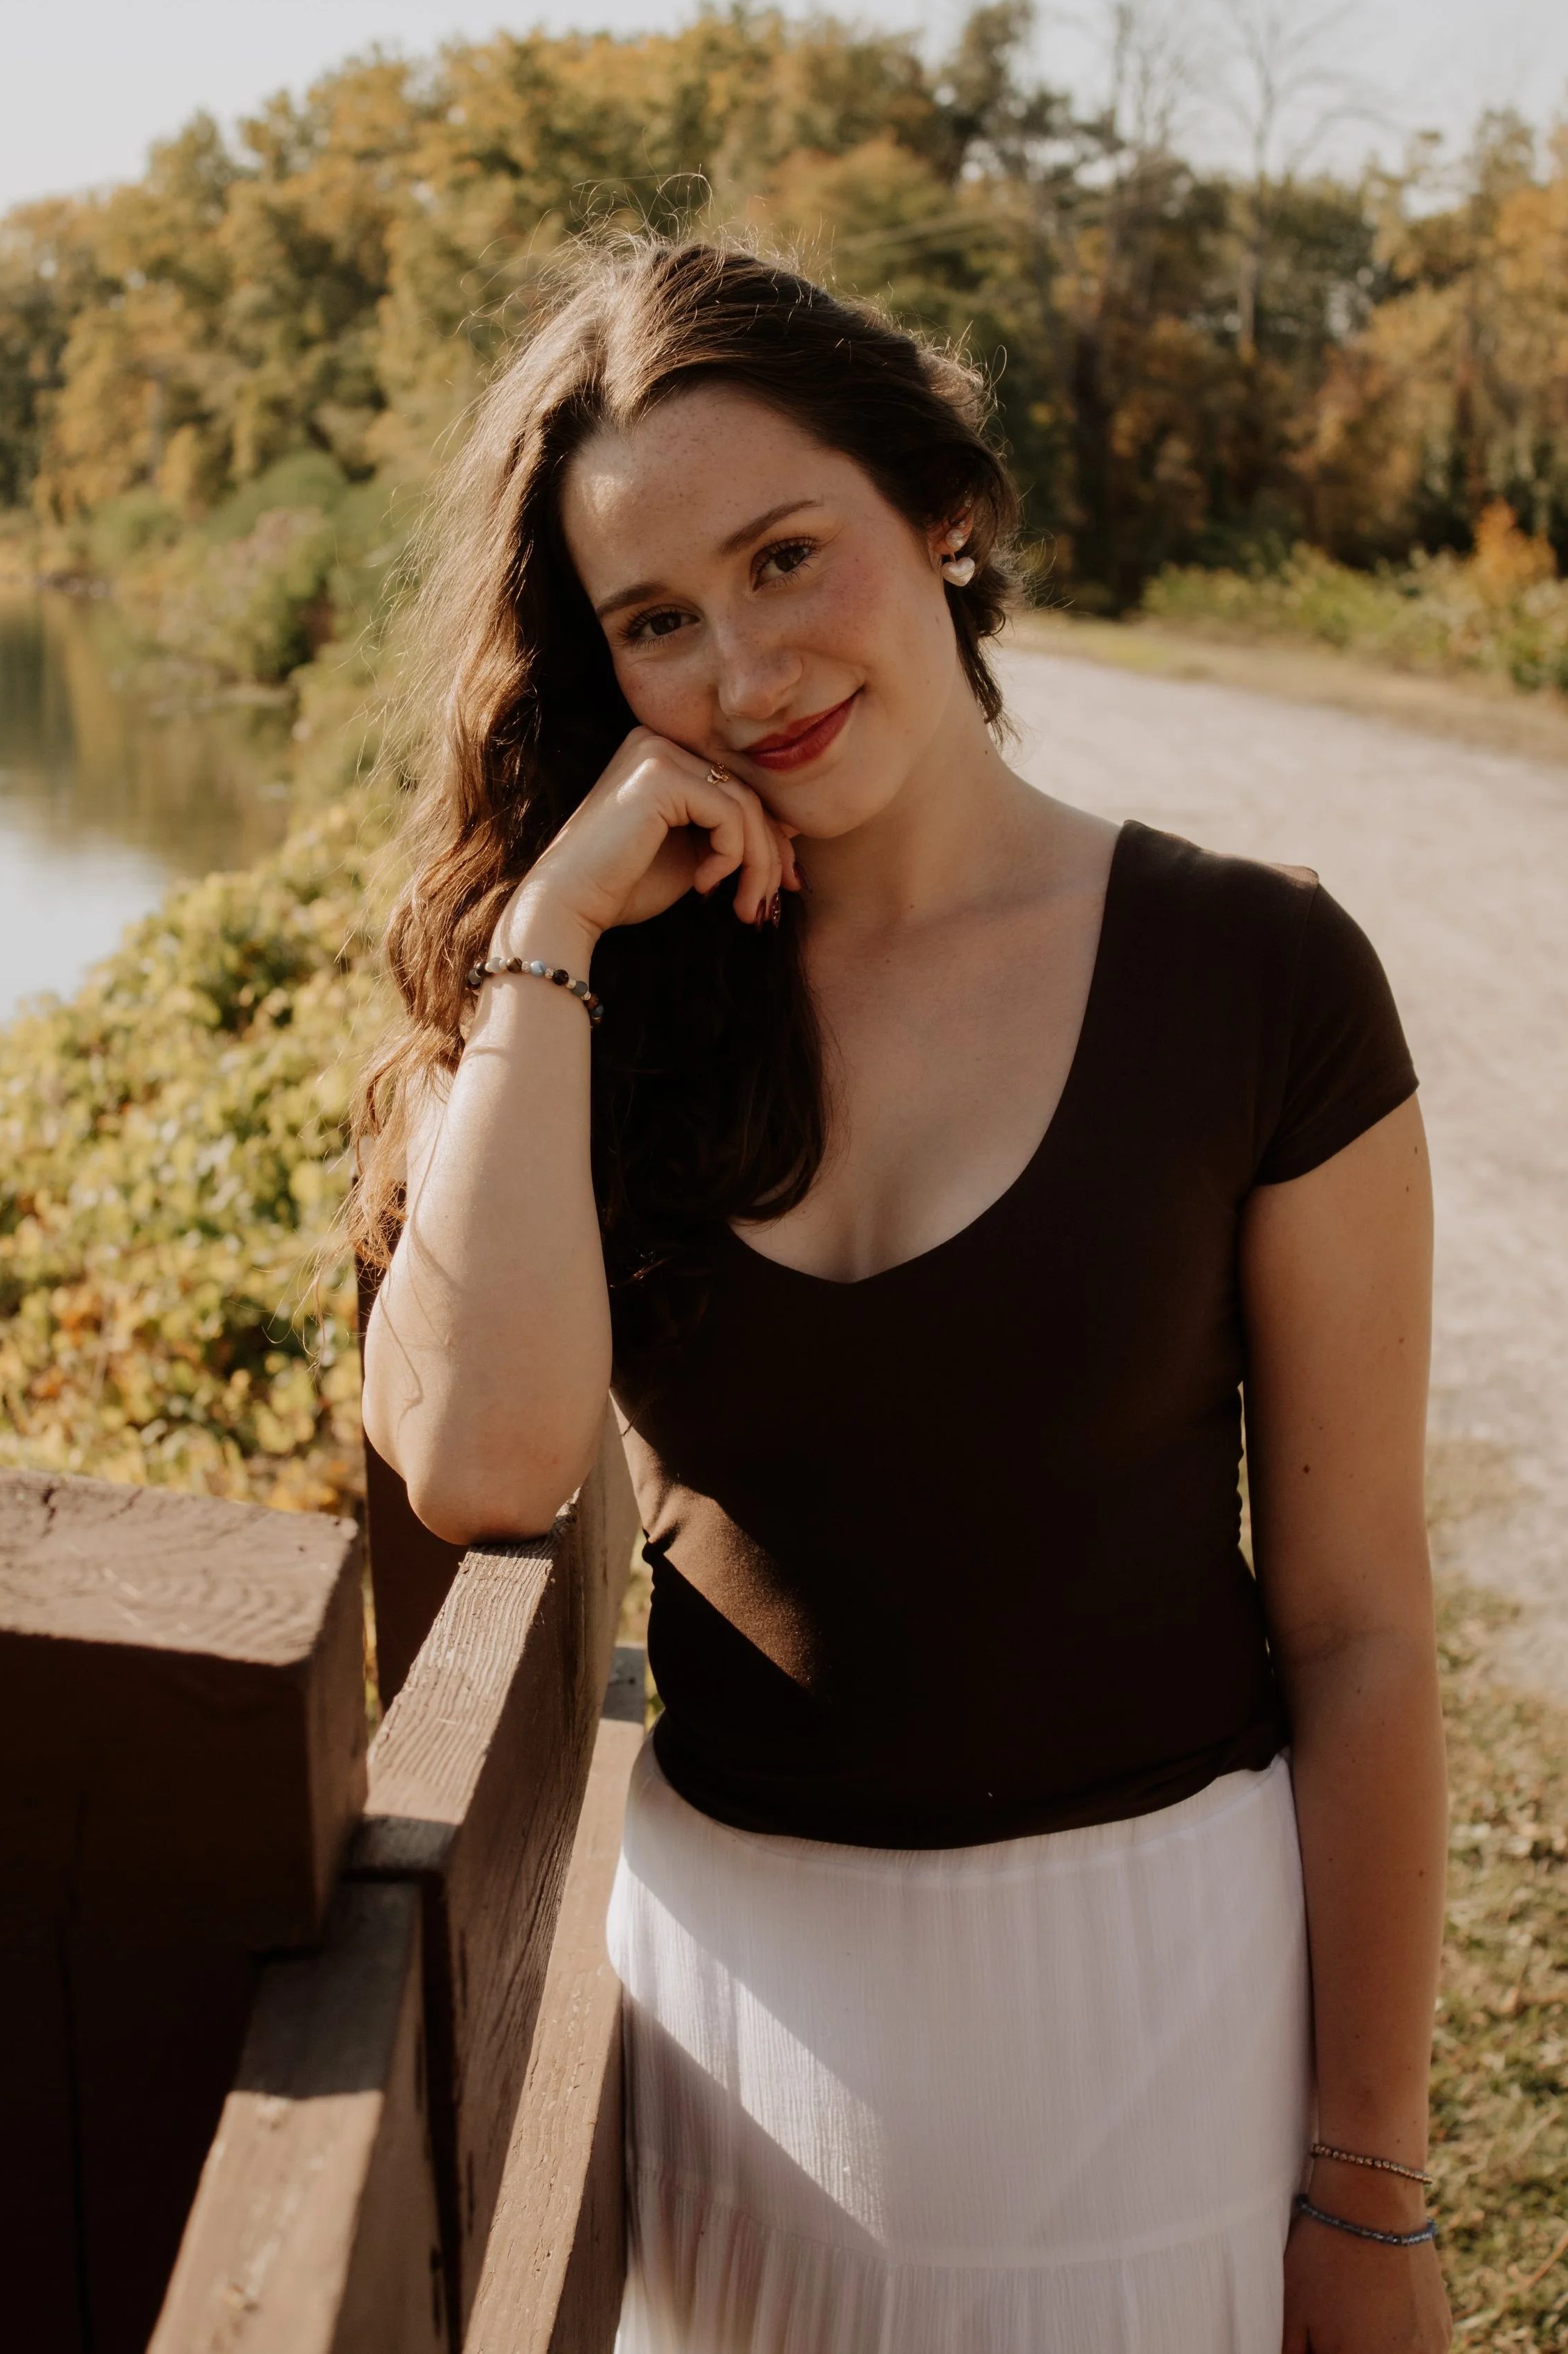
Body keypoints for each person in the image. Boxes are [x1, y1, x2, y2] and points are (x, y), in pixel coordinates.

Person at [356, 239, 1452, 2354]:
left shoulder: (1256, 978)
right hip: (733, 2029)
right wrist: (555, 929)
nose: (745, 668)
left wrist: (1370, 2187)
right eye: (656, 622)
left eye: (787, 555)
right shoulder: (613, 1007)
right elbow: (487, 1465)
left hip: (1149, 2012)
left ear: (940, 510)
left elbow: (1358, 1620)